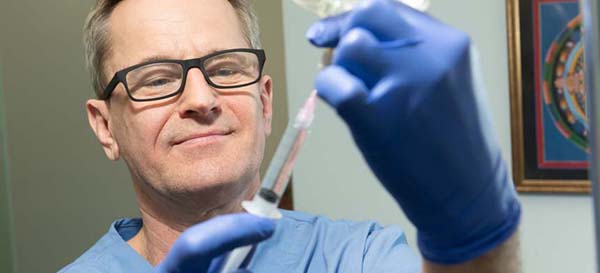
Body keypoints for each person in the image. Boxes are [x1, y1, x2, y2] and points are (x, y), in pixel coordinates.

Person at [59, 0, 522, 272]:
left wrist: (478, 239)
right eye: (156, 79)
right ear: (105, 127)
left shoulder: (357, 258)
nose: (201, 99)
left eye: (225, 68)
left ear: (264, 102)